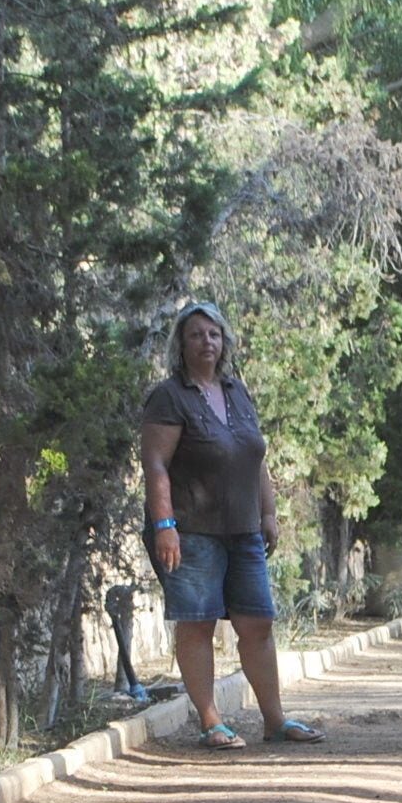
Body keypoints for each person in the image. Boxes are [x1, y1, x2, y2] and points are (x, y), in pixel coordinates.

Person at [138, 300, 323, 749]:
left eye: (214, 334)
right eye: (197, 334)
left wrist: (267, 513)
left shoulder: (237, 391)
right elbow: (156, 464)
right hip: (191, 531)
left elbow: (255, 455)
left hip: (244, 530)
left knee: (257, 622)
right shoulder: (170, 395)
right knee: (198, 623)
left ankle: (275, 720)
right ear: (181, 344)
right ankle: (210, 721)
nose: (207, 342)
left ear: (225, 342)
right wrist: (164, 523)